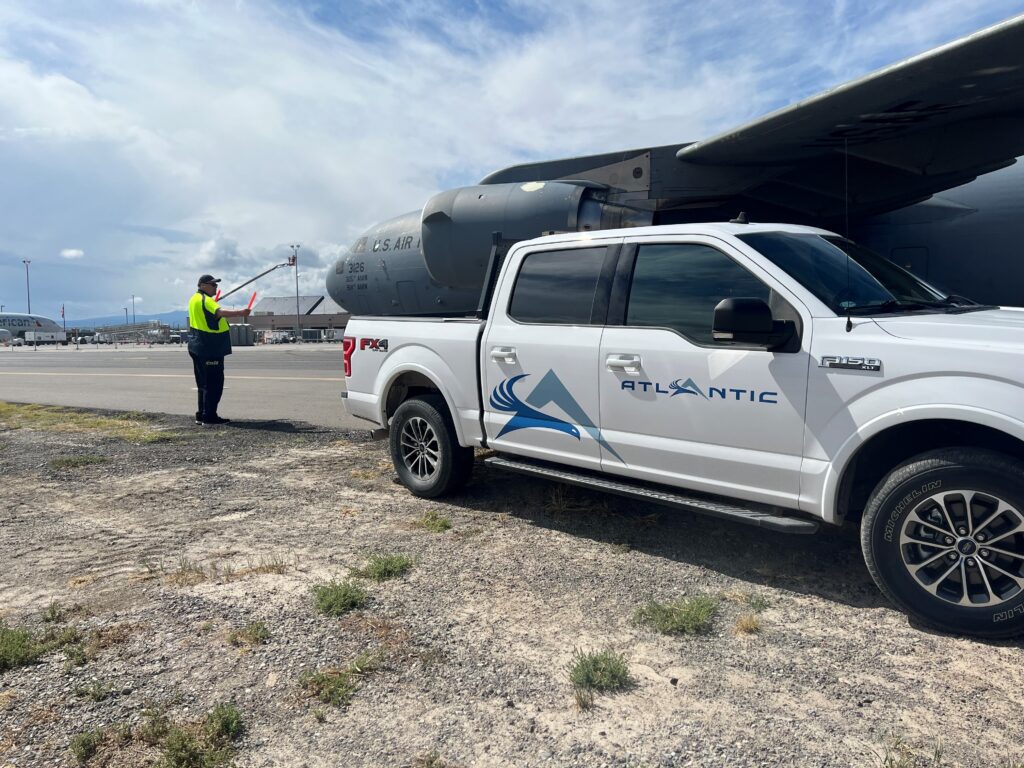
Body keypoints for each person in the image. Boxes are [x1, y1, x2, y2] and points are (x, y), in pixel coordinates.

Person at [187, 274, 251, 425]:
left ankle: (201, 415)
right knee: (214, 383)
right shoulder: (206, 300)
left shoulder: (194, 299)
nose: (216, 287)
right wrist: (240, 313)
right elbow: (220, 313)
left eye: (216, 285)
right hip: (209, 346)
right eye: (213, 285)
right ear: (202, 285)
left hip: (197, 344)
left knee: (203, 383)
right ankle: (210, 417)